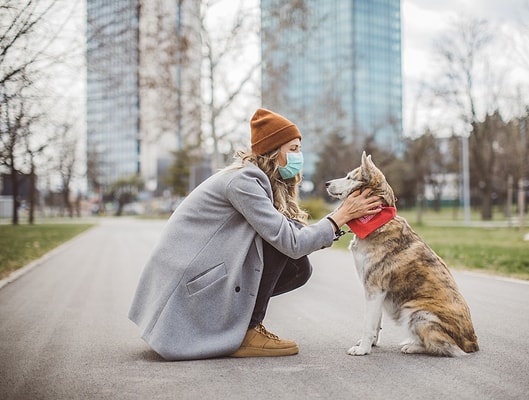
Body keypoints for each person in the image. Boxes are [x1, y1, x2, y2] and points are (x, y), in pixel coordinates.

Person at [128, 108, 382, 360]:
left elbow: (294, 236)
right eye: (293, 149)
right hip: (183, 291)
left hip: (196, 281)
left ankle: (238, 323)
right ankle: (247, 330)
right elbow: (289, 241)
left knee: (298, 268)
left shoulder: (257, 180)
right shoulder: (244, 181)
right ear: (273, 152)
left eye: (299, 149)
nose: (299, 156)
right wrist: (340, 216)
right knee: (279, 244)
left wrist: (344, 220)